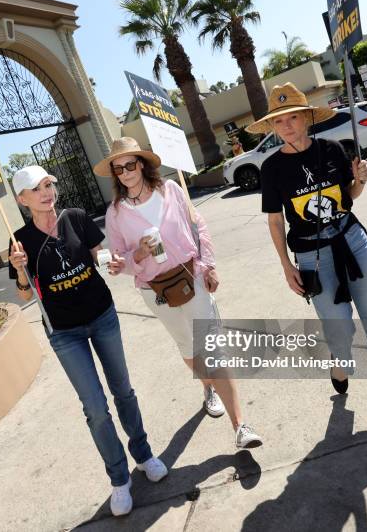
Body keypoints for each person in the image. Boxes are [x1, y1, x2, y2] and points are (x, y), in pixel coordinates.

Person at [247, 82, 367, 421]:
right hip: (312, 256)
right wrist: (287, 267)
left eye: (293, 118)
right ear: (272, 128)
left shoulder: (332, 149)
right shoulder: (271, 168)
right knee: (338, 327)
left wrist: (361, 179)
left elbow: (350, 195)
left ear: (307, 118)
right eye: (278, 121)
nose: (286, 126)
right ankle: (340, 365)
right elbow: (275, 221)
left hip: (351, 239)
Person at [8, 165, 167, 517]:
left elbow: (99, 254)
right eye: (37, 189)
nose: (47, 192)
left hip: (101, 316)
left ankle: (143, 455)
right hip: (65, 333)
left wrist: (109, 262)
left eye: (49, 184)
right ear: (22, 199)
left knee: (123, 390)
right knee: (95, 408)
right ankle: (118, 479)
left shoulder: (76, 217)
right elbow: (23, 297)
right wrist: (20, 269)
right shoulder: (19, 241)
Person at [93, 137, 263, 449]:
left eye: (130, 164)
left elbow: (199, 227)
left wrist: (209, 264)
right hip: (155, 290)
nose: (125, 172)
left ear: (141, 164)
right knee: (188, 347)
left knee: (212, 347)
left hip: (192, 276)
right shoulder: (116, 213)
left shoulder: (169, 191)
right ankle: (207, 387)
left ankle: (240, 425)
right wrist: (138, 255)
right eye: (118, 169)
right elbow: (122, 263)